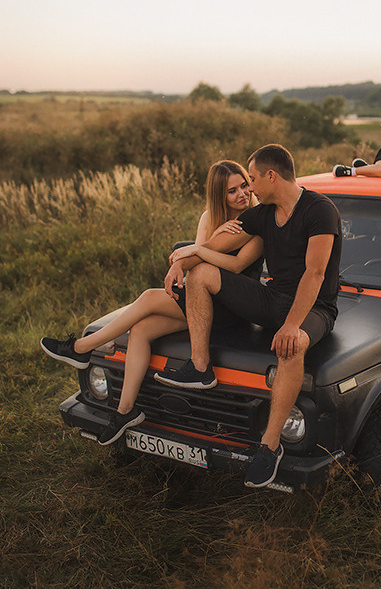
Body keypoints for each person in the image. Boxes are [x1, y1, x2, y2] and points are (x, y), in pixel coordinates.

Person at [157, 144, 342, 488]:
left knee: (292, 346)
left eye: (253, 178)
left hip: (315, 306)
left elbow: (314, 274)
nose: (250, 188)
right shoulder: (262, 214)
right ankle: (200, 366)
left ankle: (269, 447)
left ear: (272, 176)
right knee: (202, 275)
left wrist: (290, 326)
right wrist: (182, 263)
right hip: (272, 298)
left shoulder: (320, 211)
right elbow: (215, 249)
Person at [40, 160, 264, 445]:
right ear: (220, 196)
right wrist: (186, 258)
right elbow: (196, 258)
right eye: (232, 191)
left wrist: (193, 253)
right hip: (201, 300)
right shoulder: (210, 217)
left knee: (148, 297)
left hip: (232, 306)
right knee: (142, 329)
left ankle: (81, 348)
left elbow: (233, 264)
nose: (242, 194)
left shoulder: (256, 220)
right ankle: (125, 411)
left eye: (244, 185)